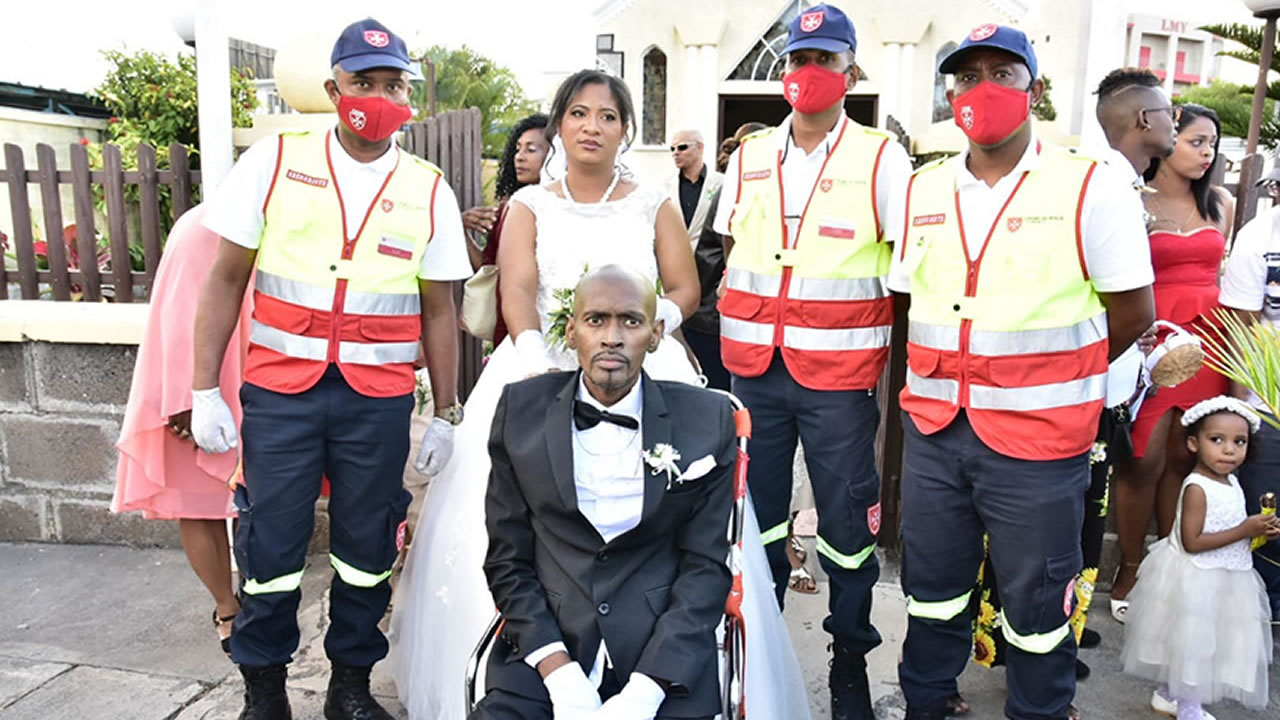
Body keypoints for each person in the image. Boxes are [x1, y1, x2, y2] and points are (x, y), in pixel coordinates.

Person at [390, 69, 810, 720]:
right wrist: (534, 354)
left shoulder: (654, 201)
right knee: (514, 525)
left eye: (608, 116)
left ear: (625, 130)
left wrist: (642, 332)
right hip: (543, 364)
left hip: (639, 361)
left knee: (674, 521)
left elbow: (683, 289)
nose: (592, 126)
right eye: (579, 113)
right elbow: (519, 291)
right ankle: (540, 666)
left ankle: (651, 662)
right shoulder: (529, 205)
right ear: (559, 123)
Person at [190, 18, 472, 720]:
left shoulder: (426, 186)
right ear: (332, 87)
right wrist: (204, 391)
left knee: (367, 547)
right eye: (362, 82)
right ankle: (265, 691)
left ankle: (349, 687)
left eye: (392, 84)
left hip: (375, 400)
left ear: (408, 92)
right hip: (281, 393)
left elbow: (442, 309)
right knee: (272, 546)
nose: (377, 96)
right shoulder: (277, 160)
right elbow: (224, 280)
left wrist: (447, 410)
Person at [890, 25, 1155, 720]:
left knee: (1040, 605)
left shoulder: (1089, 186)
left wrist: (1053, 381)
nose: (983, 89)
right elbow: (908, 306)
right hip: (937, 432)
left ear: (1033, 90)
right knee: (931, 591)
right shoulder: (920, 190)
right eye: (967, 75)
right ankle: (928, 701)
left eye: (1001, 74)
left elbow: (1132, 312)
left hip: (1039, 444)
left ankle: (1038, 710)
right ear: (951, 93)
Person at [711, 6, 912, 717]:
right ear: (784, 70)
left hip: (839, 378)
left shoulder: (882, 158)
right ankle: (756, 646)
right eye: (800, 60)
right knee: (756, 515)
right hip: (755, 369)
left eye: (825, 61)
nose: (809, 73)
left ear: (849, 74)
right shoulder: (750, 156)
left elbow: (904, 274)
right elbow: (732, 251)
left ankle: (849, 654)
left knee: (847, 529)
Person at [472, 265, 734, 720]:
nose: (612, 337)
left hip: (663, 658)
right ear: (571, 332)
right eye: (596, 320)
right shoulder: (520, 412)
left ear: (655, 335)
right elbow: (506, 560)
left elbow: (706, 569)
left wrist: (645, 693)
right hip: (544, 651)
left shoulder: (706, 419)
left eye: (630, 321)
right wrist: (559, 675)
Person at [1110, 104, 1236, 617]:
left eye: (1212, 144)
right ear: (1169, 140)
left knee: (1187, 459)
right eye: (1195, 141)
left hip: (1209, 342)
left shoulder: (1221, 203)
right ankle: (1130, 568)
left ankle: (1173, 568)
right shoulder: (1133, 200)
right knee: (1143, 458)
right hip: (1153, 339)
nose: (1206, 153)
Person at [113, 204, 249, 657]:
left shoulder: (283, 223)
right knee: (199, 507)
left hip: (260, 379)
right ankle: (226, 608)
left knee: (261, 508)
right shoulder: (198, 229)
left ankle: (258, 603)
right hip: (199, 384)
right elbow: (173, 318)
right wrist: (185, 399)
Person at [1121, 396, 1277, 719]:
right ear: (1193, 443)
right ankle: (1189, 709)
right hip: (1197, 578)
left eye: (1239, 442)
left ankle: (1168, 695)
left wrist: (1258, 532)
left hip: (1224, 575)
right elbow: (1192, 542)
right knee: (1195, 647)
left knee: (1204, 644)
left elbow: (1232, 533)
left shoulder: (1232, 482)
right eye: (1216, 440)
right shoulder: (1197, 487)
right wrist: (1245, 529)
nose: (1229, 450)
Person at [1219, 202, 1280, 622]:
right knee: (1266, 515)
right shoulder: (1259, 238)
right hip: (1269, 405)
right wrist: (1241, 415)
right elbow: (1241, 333)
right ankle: (1263, 614)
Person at [682, 123, 766, 392]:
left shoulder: (735, 187)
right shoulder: (738, 191)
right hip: (715, 317)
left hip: (712, 316)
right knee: (723, 396)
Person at [460, 114, 551, 345]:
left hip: (557, 322)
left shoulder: (569, 208)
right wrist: (463, 231)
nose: (519, 157)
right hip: (514, 326)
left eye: (531, 150)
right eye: (517, 149)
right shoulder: (508, 208)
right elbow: (488, 269)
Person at [667, 128, 726, 389]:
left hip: (711, 273)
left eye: (682, 147)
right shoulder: (665, 187)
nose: (676, 153)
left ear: (700, 148)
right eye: (672, 149)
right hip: (677, 269)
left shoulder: (721, 184)